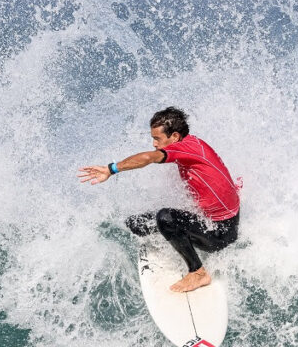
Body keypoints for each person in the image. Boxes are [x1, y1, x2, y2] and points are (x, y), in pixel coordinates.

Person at [78, 107, 240, 293]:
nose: (154, 144)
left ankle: (198, 272)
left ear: (175, 136)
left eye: (157, 139)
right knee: (136, 224)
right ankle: (174, 240)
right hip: (211, 221)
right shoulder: (193, 145)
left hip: (221, 233)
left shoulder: (186, 148)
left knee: (165, 218)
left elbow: (148, 157)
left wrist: (111, 169)